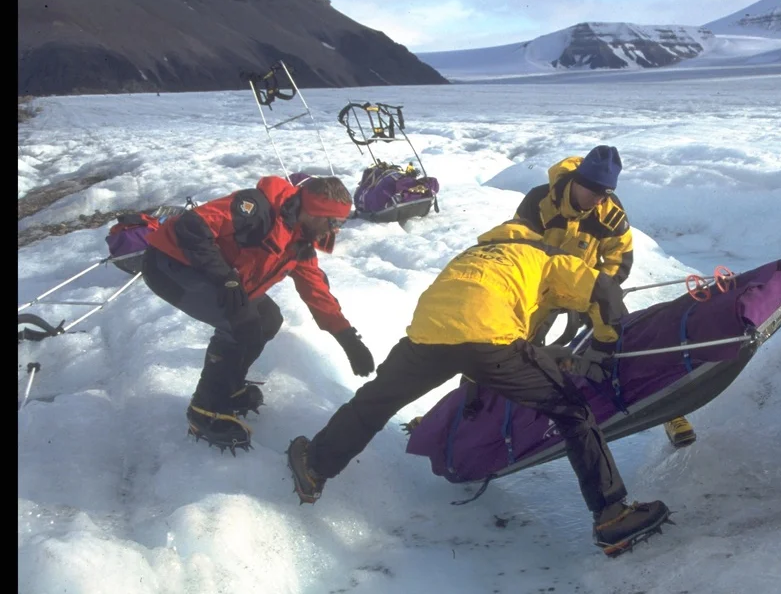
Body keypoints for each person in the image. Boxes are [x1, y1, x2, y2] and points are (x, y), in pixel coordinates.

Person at [285, 219, 673, 556]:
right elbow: (603, 290)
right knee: (574, 413)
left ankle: (314, 465)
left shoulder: (476, 254)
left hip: (427, 334)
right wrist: (605, 348)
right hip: (490, 339)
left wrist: (534, 354)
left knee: (374, 402)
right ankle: (611, 515)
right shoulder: (545, 256)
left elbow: (486, 307)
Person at [141, 175, 376, 452]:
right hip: (170, 265)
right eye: (334, 222)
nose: (336, 230)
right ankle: (205, 410)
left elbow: (316, 291)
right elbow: (192, 227)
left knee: (268, 320)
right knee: (242, 326)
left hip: (219, 277)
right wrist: (224, 278)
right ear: (315, 213)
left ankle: (229, 387)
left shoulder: (300, 239)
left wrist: (348, 338)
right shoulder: (255, 209)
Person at [513, 145, 697, 449]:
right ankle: (476, 411)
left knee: (625, 339)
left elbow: (619, 257)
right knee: (505, 344)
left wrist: (601, 290)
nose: (599, 199)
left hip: (585, 286)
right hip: (539, 287)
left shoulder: (609, 211)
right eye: (594, 192)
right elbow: (517, 248)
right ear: (577, 182)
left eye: (606, 193)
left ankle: (671, 413)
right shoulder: (539, 200)